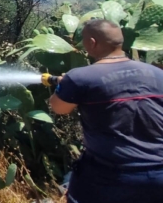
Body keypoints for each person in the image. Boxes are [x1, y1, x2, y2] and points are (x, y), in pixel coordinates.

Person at [49, 18, 163, 203]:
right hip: (159, 175)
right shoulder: (158, 74)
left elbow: (58, 107)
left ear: (92, 43)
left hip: (109, 177)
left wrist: (67, 85)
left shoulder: (80, 77)